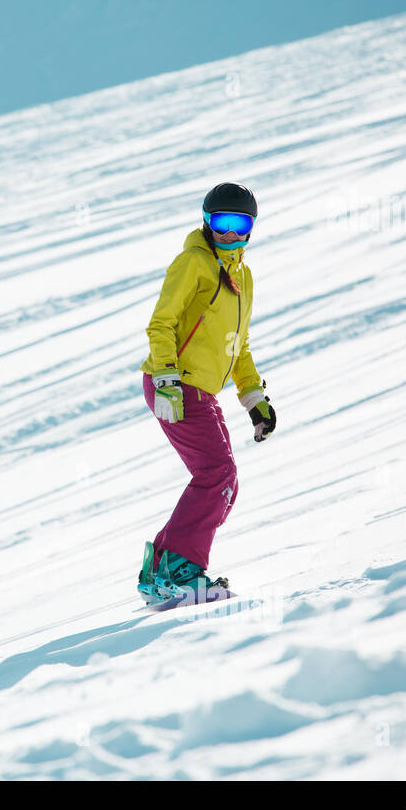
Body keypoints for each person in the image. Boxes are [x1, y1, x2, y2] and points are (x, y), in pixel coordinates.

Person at [136, 182, 277, 602]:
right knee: (216, 476)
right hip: (177, 384)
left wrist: (254, 399)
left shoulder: (243, 276)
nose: (230, 234)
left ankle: (162, 573)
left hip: (201, 390)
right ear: (206, 222)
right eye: (221, 223)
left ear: (251, 228)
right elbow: (161, 324)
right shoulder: (193, 263)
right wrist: (166, 379)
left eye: (240, 224)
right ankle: (180, 573)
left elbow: (240, 345)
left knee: (222, 480)